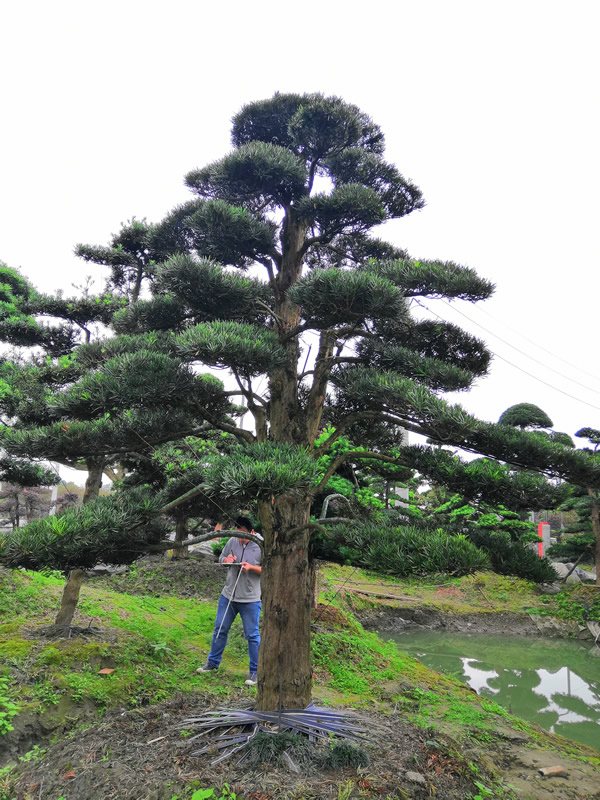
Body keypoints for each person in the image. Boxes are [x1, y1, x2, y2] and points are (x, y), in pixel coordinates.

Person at [197, 516, 262, 686]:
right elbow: (221, 559)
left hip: (250, 599)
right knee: (220, 628)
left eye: (243, 535)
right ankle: (212, 663)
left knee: (252, 635)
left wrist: (251, 568)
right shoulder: (233, 540)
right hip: (228, 595)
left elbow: (269, 568)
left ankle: (255, 672)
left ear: (251, 532)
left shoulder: (261, 544)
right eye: (237, 534)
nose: (240, 538)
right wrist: (226, 561)